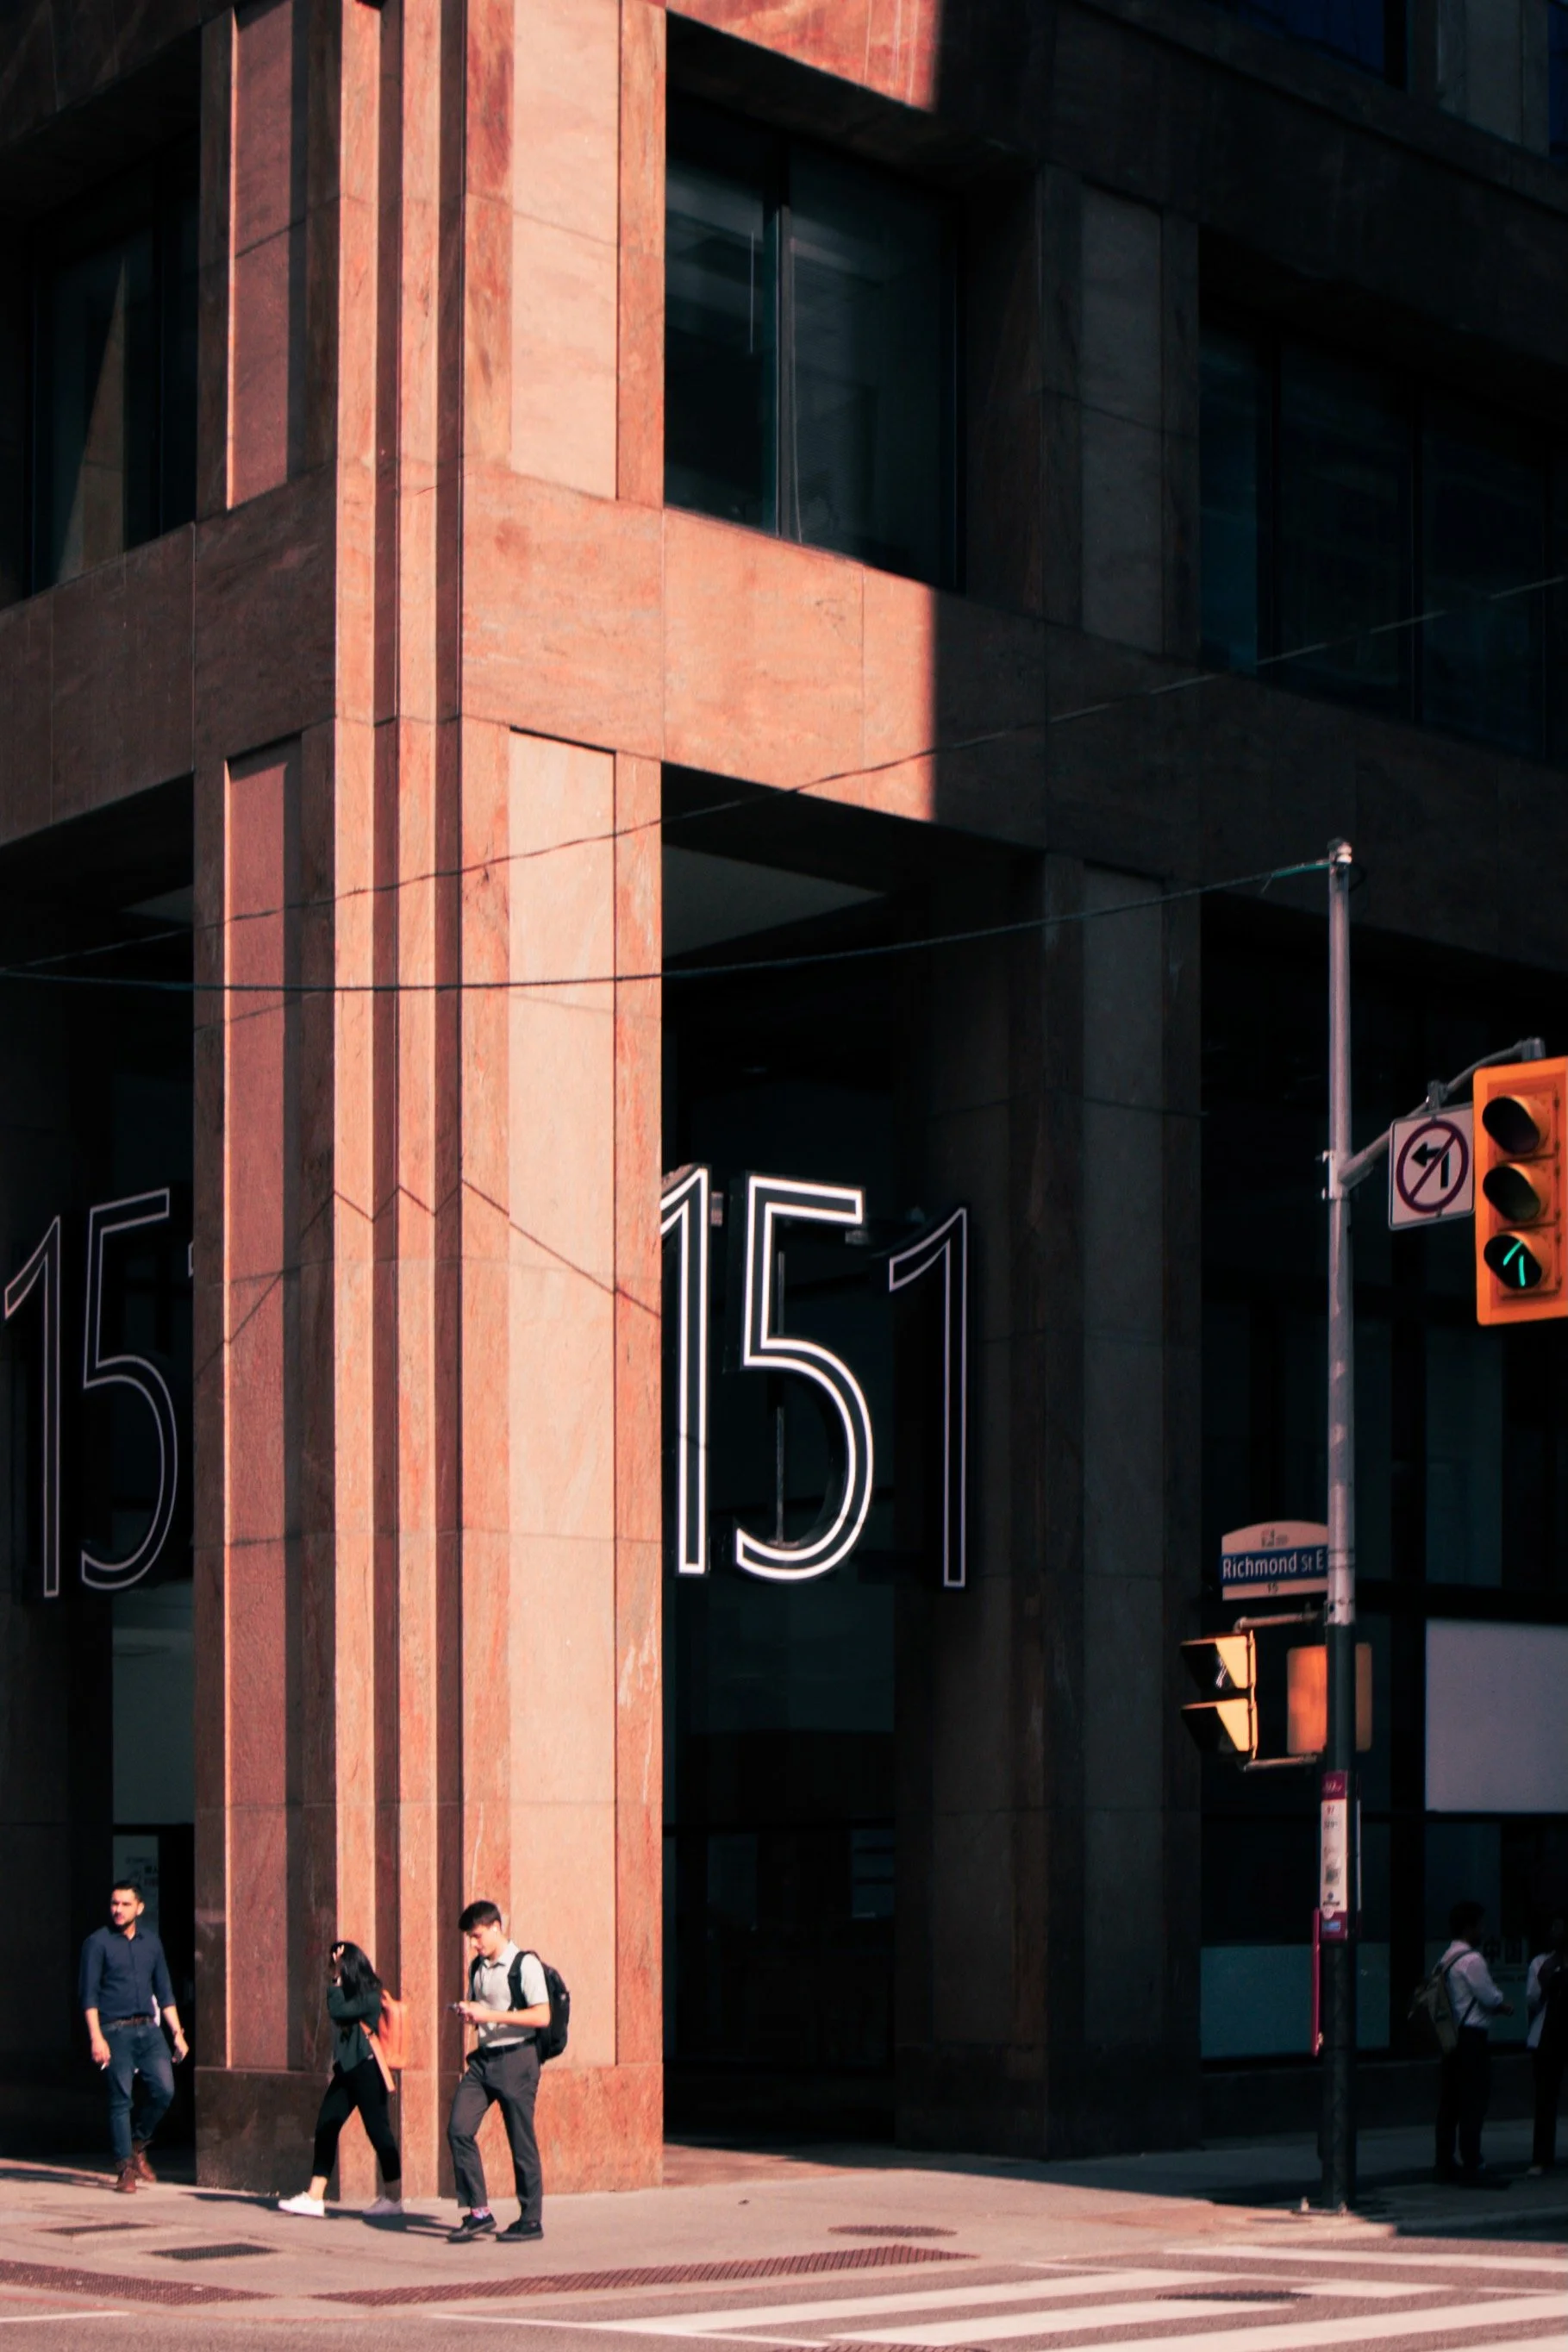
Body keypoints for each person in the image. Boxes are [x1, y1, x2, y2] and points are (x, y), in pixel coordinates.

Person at [446, 1899, 551, 2243]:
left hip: (518, 2060)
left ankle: (531, 2219)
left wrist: (491, 2016)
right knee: (459, 2128)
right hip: (484, 2061)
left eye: (477, 1936)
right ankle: (479, 2212)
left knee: (521, 2141)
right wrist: (470, 2011)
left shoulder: (525, 1964)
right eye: (470, 1938)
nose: (474, 1944)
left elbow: (541, 2016)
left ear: (495, 1927)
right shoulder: (477, 1967)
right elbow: (483, 2006)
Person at [79, 1879, 189, 2193]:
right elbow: (88, 1997)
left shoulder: (151, 1944)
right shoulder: (97, 1943)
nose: (118, 1909)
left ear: (139, 1908)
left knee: (164, 2090)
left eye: (125, 1904)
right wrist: (96, 2037)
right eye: (114, 1903)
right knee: (120, 2099)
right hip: (114, 2030)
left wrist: (177, 2034)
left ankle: (139, 2142)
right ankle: (124, 2168)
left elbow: (165, 1992)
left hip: (149, 2029)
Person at [278, 1940, 403, 2218]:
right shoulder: (349, 1992)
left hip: (367, 2070)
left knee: (379, 2132)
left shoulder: (372, 1992)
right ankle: (314, 2196)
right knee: (326, 2125)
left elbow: (339, 2012)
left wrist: (335, 1978)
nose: (333, 1971)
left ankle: (393, 2197)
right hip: (346, 2070)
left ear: (349, 1966)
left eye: (337, 1965)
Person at [1434, 1898, 1514, 2183]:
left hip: (1452, 2038)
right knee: (1473, 2103)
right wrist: (1503, 2004)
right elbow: (1488, 1996)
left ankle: (1444, 2163)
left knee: (1451, 2104)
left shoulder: (1446, 1958)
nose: (1482, 1931)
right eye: (1479, 1925)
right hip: (1472, 2038)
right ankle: (1472, 2164)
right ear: (1469, 1927)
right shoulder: (1471, 1960)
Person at [1525, 1915, 1568, 2176]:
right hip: (1548, 2036)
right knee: (1545, 2100)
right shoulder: (1541, 1963)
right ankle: (1542, 2156)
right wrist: (1546, 1981)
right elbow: (1532, 2000)